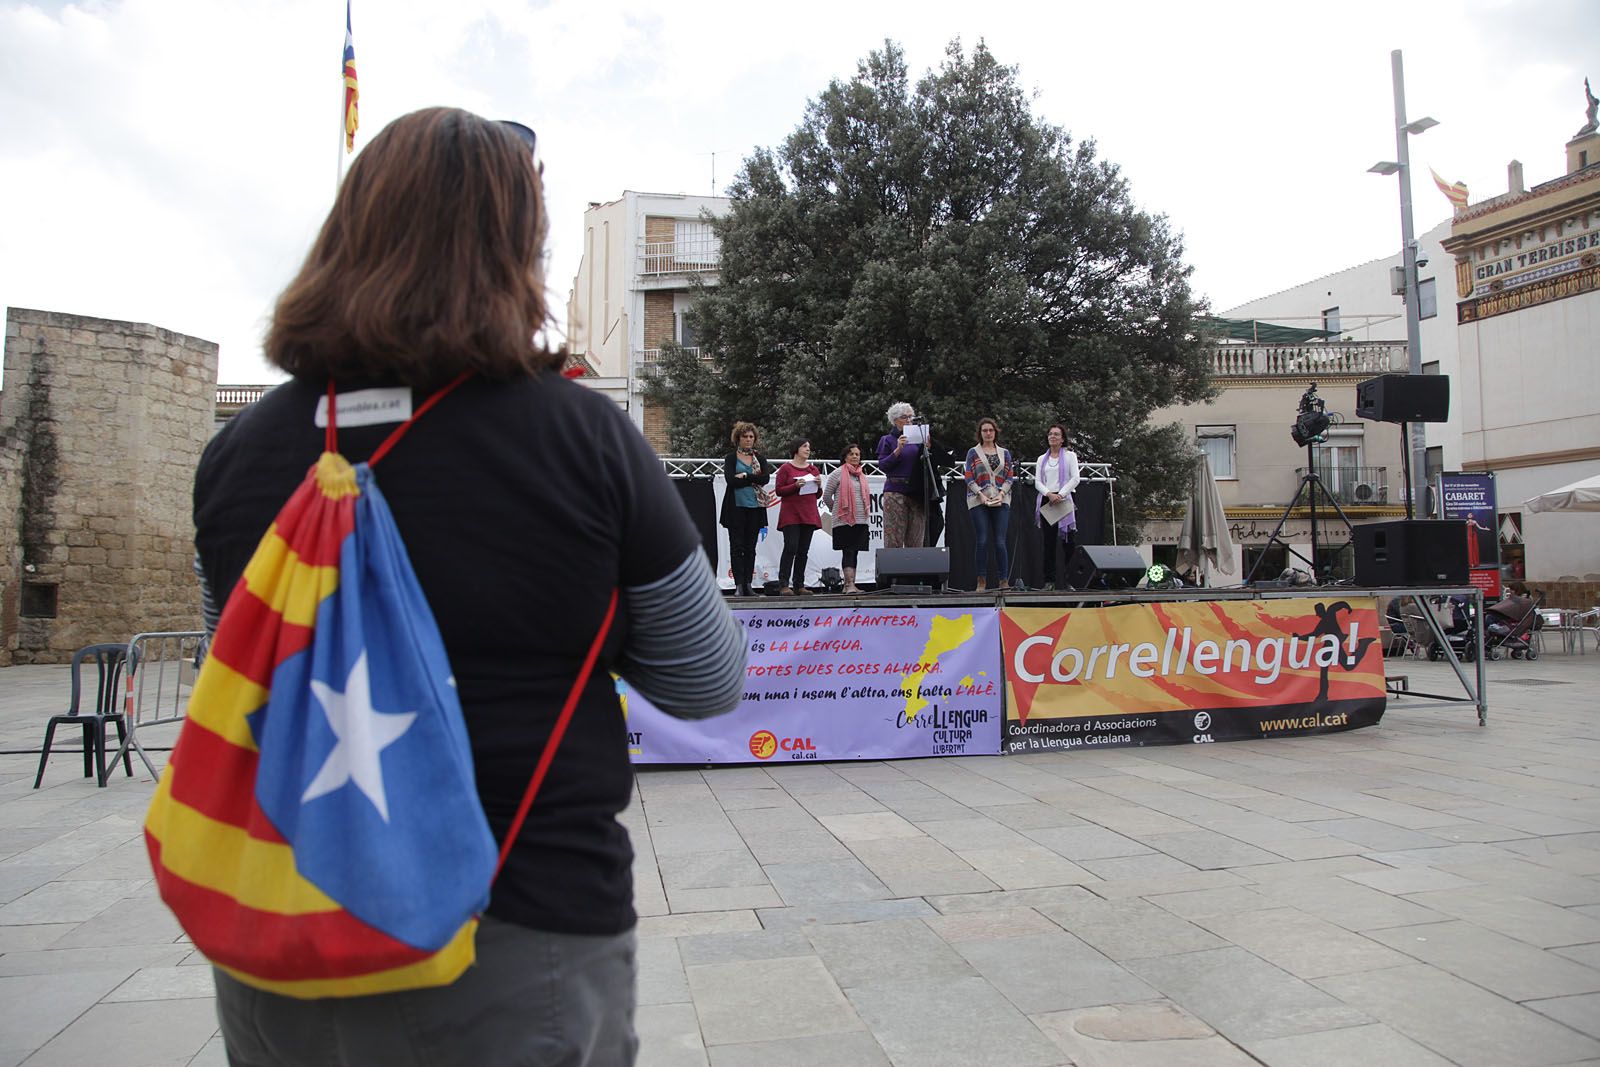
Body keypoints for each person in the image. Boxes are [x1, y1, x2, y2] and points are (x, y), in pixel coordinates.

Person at [190, 108, 744, 1067]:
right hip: (519, 935)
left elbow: (228, 674)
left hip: (284, 933)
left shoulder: (236, 457)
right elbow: (705, 679)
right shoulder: (583, 437)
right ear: (513, 249)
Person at [963, 417, 1014, 591]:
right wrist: (980, 495)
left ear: (995, 432)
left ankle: (1003, 580)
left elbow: (1009, 476)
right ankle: (981, 580)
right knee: (982, 540)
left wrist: (1001, 494)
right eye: (984, 430)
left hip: (1001, 499)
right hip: (978, 500)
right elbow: (968, 476)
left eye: (990, 430)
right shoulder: (973, 452)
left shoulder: (1004, 453)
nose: (988, 433)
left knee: (1000, 541)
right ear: (980, 433)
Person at [720, 421, 769, 596]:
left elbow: (765, 479)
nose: (748, 440)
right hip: (736, 508)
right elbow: (731, 481)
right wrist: (753, 479)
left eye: (751, 437)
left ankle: (748, 583)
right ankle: (739, 585)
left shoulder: (759, 458)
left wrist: (746, 476)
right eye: (745, 437)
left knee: (750, 548)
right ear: (738, 439)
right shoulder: (731, 458)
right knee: (737, 547)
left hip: (755, 508)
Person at [773, 438, 823, 595]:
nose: (808, 449)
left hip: (808, 514)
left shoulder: (813, 470)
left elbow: (817, 495)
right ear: (796, 449)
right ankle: (783, 584)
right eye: (804, 446)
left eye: (809, 446)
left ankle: (799, 584)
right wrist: (795, 485)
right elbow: (779, 490)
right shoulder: (785, 469)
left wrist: (819, 485)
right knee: (791, 547)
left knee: (803, 550)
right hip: (791, 514)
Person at [1035, 424, 1081, 589]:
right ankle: (1049, 580)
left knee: (1068, 542)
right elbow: (1038, 482)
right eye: (1050, 434)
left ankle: (1070, 580)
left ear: (1062, 439)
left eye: (1056, 434)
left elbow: (1075, 478)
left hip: (1065, 497)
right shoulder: (1042, 459)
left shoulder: (1070, 456)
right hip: (1048, 499)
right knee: (1048, 542)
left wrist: (1060, 494)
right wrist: (1049, 494)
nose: (1052, 437)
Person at [824, 443, 871, 594]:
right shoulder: (837, 473)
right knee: (848, 551)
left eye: (857, 454)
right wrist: (837, 510)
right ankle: (849, 584)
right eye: (851, 454)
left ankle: (850, 585)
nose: (855, 457)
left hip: (861, 520)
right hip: (844, 520)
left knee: (855, 551)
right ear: (845, 457)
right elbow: (826, 496)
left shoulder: (862, 475)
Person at [876, 401, 924, 549]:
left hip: (916, 491)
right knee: (893, 538)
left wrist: (928, 448)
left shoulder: (919, 439)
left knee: (916, 539)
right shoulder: (887, 440)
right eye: (905, 417)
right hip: (895, 491)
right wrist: (897, 449)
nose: (909, 420)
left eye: (911, 417)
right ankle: (893, 571)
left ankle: (915, 571)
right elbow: (883, 465)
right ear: (895, 420)